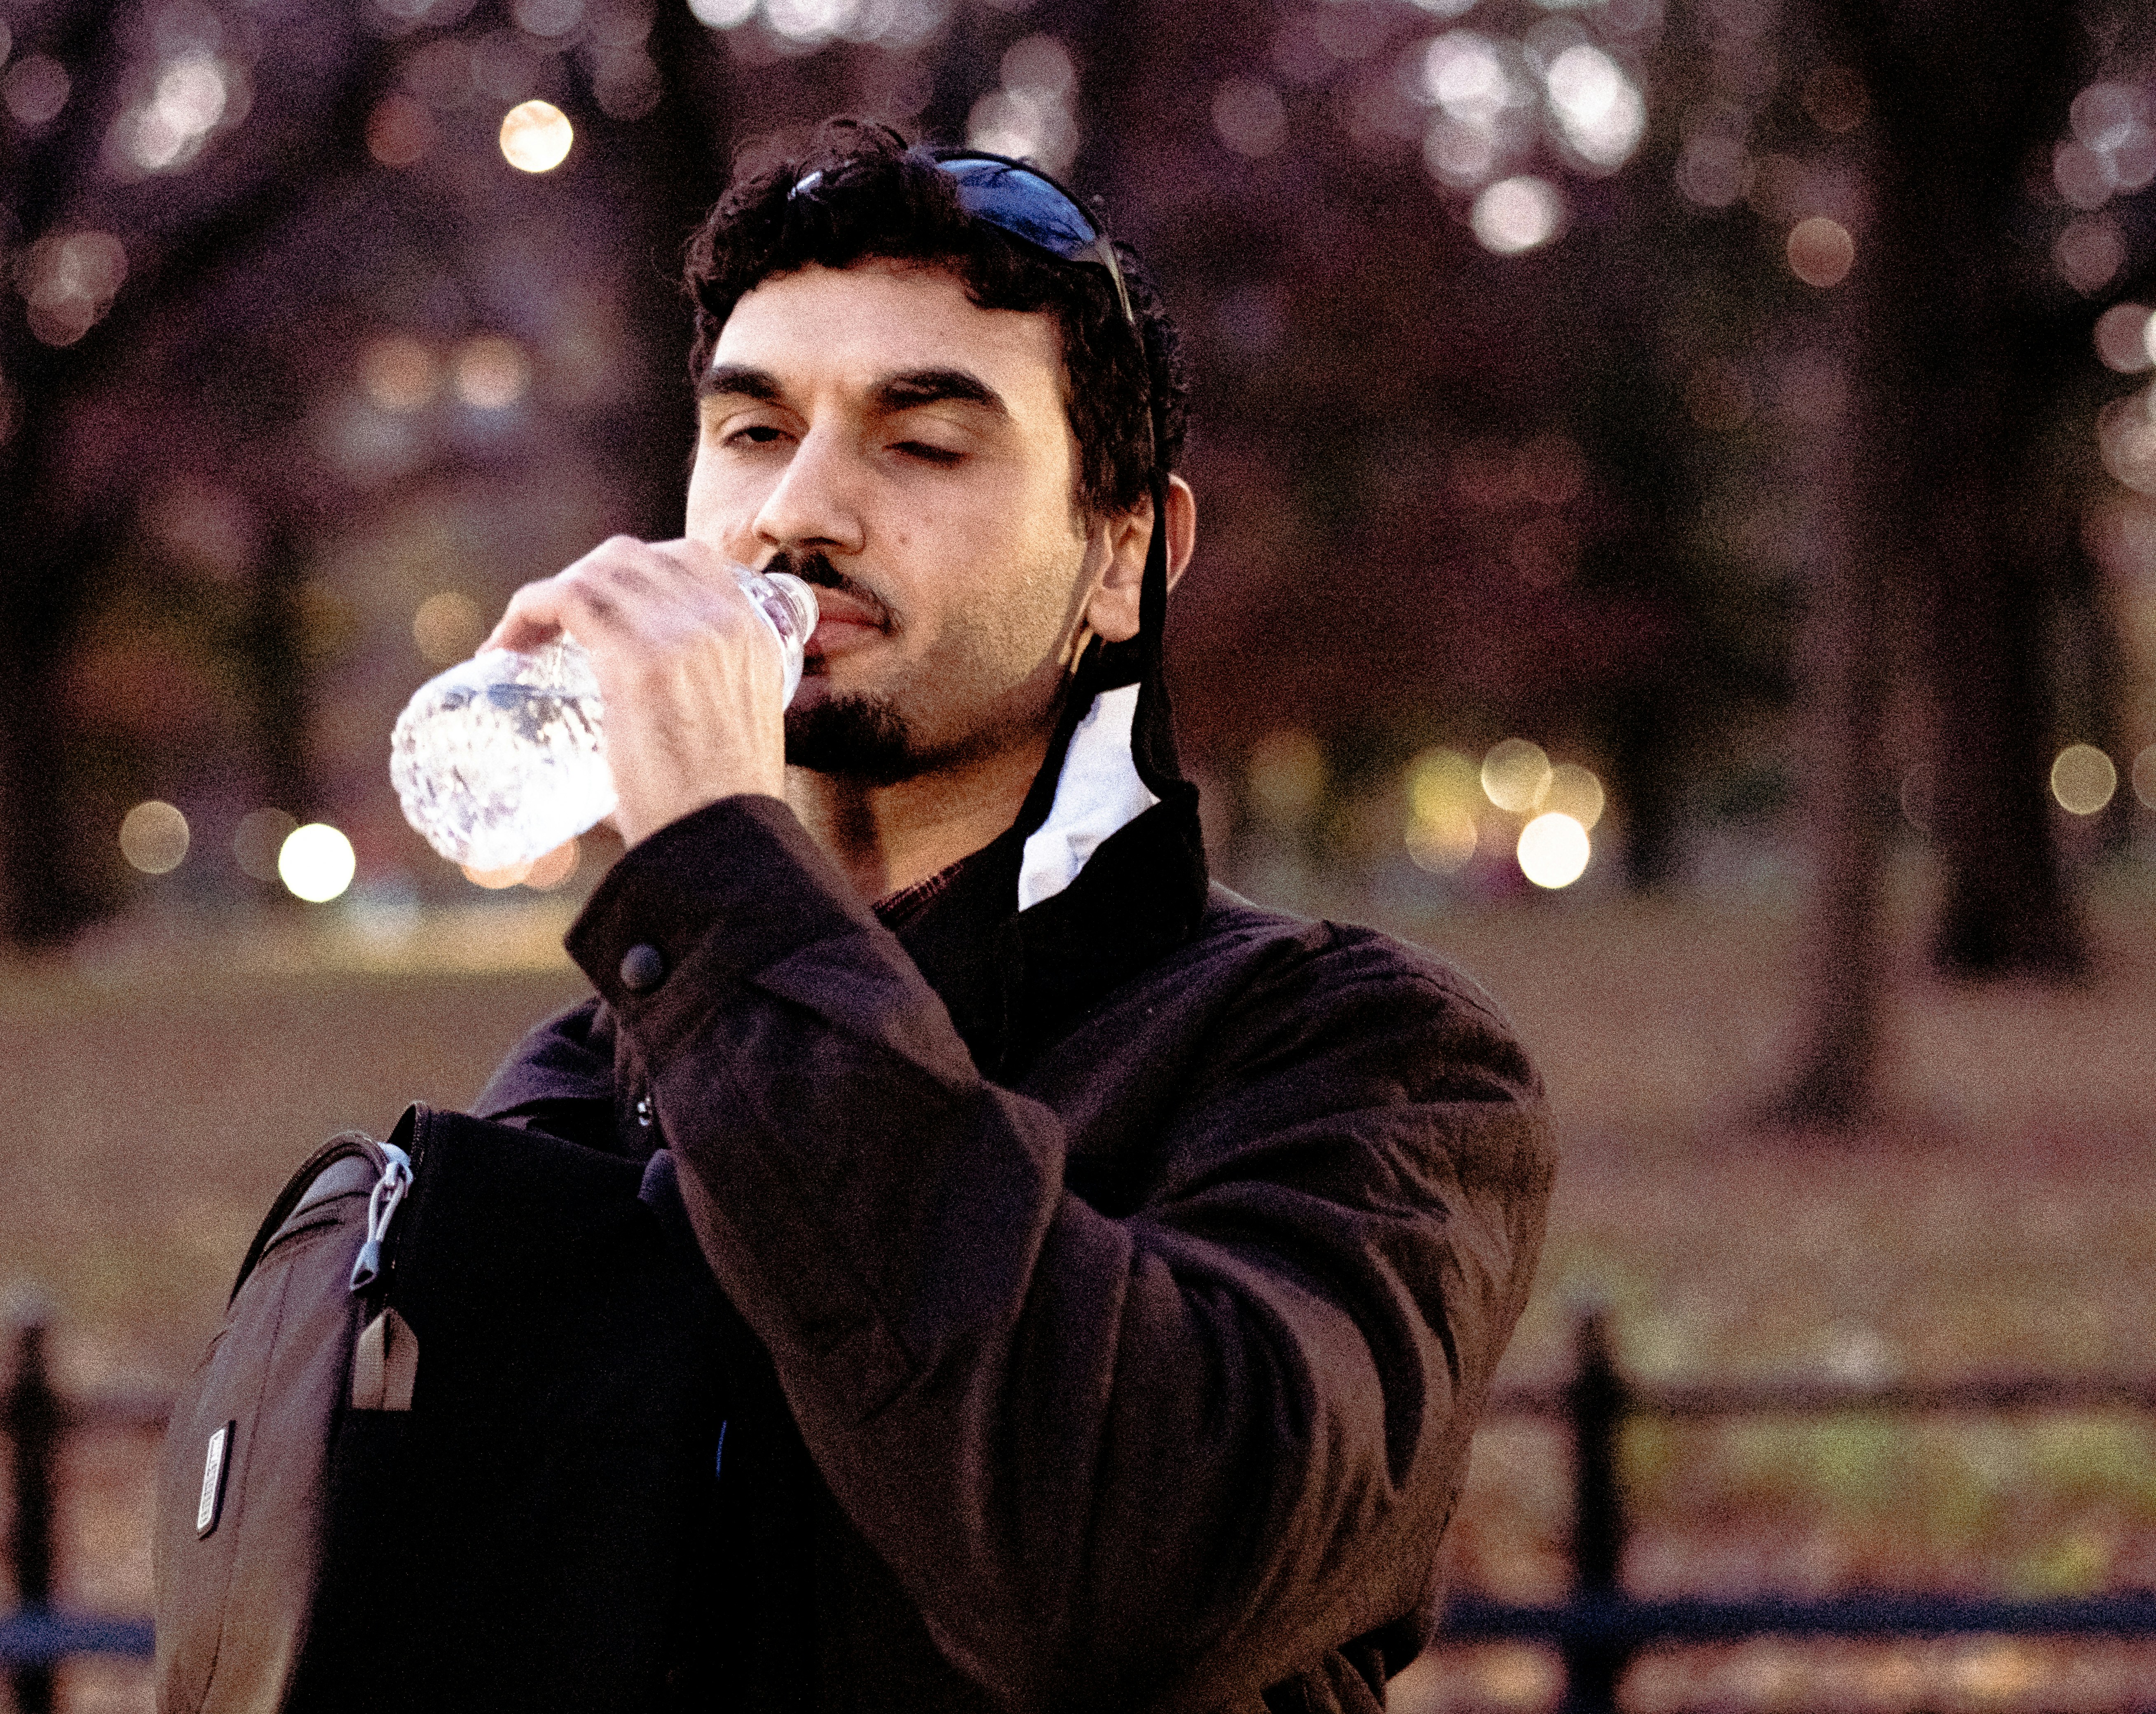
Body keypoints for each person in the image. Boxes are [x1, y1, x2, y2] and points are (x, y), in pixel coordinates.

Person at [467, 122, 1555, 1713]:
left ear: (1123, 556)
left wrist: (718, 871)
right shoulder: (594, 1080)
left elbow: (1135, 1578)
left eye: (924, 443)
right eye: (755, 432)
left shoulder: (1362, 1061)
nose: (801, 515)